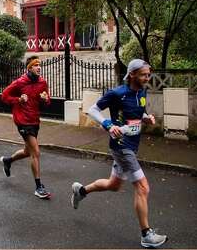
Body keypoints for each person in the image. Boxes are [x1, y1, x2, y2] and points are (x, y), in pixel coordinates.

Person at [70, 59, 168, 248]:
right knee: (143, 187)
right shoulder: (117, 93)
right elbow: (93, 109)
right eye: (143, 75)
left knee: (113, 185)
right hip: (122, 146)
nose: (147, 78)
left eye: (148, 74)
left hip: (132, 145)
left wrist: (146, 118)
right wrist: (108, 124)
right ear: (131, 75)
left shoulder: (142, 91)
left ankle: (80, 191)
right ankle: (146, 234)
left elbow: (137, 113)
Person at [0, 56, 51, 199]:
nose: (39, 67)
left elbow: (47, 101)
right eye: (35, 65)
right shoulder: (20, 83)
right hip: (22, 121)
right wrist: (18, 100)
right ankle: (38, 187)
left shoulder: (42, 82)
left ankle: (7, 161)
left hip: (35, 120)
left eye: (40, 65)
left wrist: (45, 99)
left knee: (28, 151)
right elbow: (4, 96)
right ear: (29, 68)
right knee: (36, 152)